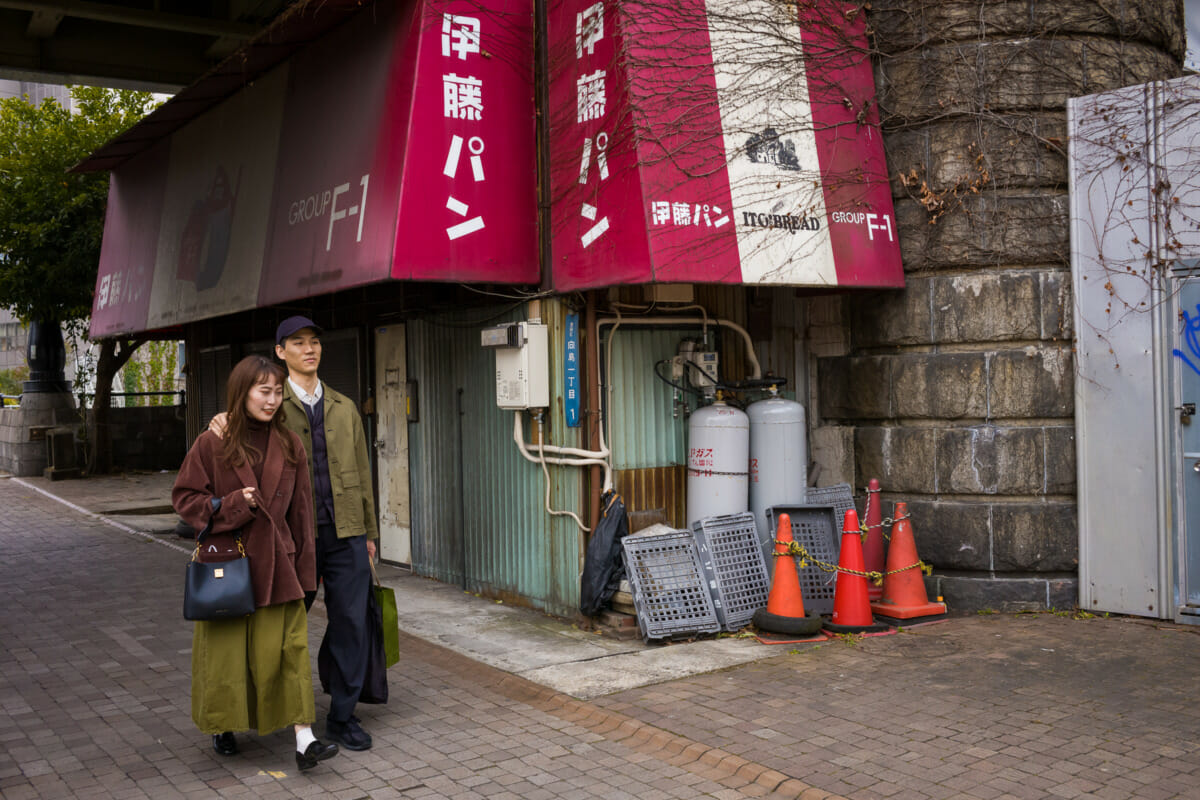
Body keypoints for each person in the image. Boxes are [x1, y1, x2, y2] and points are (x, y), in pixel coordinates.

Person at [211, 316, 379, 751]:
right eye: (298, 343)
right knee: (267, 627)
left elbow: (362, 475)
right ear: (281, 351)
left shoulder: (344, 408)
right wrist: (219, 421)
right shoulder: (266, 403)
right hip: (288, 538)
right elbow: (226, 437)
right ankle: (232, 716)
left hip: (345, 534)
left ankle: (342, 716)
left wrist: (369, 535)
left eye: (315, 342)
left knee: (351, 624)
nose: (310, 349)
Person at [173, 355, 338, 772]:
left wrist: (307, 570)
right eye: (264, 391)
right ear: (242, 391)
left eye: (278, 391)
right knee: (226, 655)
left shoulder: (290, 443)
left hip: (280, 566)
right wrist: (230, 506)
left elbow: (302, 512)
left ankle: (304, 739)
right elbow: (185, 499)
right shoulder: (213, 442)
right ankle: (224, 724)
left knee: (290, 651)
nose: (272, 399)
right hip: (229, 567)